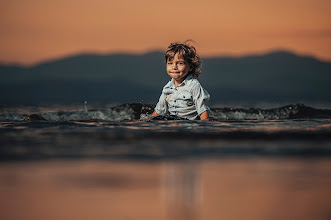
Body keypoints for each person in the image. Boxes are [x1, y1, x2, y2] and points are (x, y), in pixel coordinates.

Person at [151, 41, 210, 120]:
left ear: (190, 67)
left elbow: (203, 110)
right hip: (172, 125)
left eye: (180, 63)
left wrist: (205, 127)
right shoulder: (167, 88)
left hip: (190, 125)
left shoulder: (194, 86)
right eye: (170, 63)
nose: (174, 67)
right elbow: (159, 111)